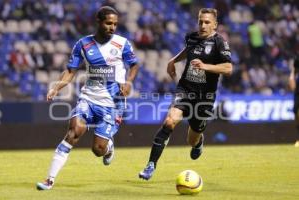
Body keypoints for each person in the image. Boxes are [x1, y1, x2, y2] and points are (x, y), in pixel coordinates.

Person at [36, 6, 139, 190]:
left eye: (115, 24)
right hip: (89, 98)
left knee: (97, 150)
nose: (112, 27)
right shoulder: (83, 44)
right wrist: (56, 87)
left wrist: (129, 82)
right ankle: (49, 179)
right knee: (74, 131)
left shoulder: (122, 44)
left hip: (113, 104)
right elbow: (70, 71)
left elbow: (134, 65)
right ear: (98, 22)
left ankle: (108, 148)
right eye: (108, 23)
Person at [139, 8, 232, 180]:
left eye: (207, 22)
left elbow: (228, 68)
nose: (203, 25)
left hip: (205, 97)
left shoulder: (220, 43)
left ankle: (199, 142)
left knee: (192, 139)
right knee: (169, 121)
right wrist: (174, 60)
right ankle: (150, 165)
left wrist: (206, 66)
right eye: (200, 21)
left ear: (215, 25)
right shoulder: (192, 37)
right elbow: (188, 51)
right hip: (185, 89)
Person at [288, 55, 299, 147]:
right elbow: (293, 73)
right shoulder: (297, 59)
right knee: (295, 111)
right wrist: (291, 80)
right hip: (298, 91)